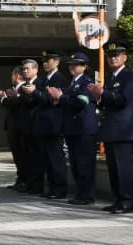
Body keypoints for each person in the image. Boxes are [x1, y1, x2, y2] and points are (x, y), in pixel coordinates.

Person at [88, 40, 133, 214]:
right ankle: (117, 199)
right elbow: (106, 104)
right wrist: (98, 97)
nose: (112, 59)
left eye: (116, 55)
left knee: (122, 167)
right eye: (110, 56)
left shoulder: (130, 77)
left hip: (123, 129)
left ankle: (127, 201)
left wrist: (102, 93)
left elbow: (123, 100)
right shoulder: (110, 78)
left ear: (124, 57)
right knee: (113, 168)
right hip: (110, 128)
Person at [47, 52, 97, 205]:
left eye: (77, 64)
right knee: (76, 164)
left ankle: (87, 195)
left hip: (83, 129)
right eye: (71, 64)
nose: (72, 67)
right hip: (72, 128)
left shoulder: (86, 82)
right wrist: (59, 99)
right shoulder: (72, 83)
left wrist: (61, 97)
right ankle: (81, 194)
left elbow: (80, 102)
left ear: (85, 67)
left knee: (84, 163)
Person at [36, 51, 68, 199]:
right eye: (43, 61)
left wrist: (37, 94)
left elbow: (51, 99)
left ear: (56, 62)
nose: (45, 63)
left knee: (56, 158)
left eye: (48, 60)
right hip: (43, 124)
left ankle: (60, 189)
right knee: (47, 158)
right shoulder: (42, 79)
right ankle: (52, 187)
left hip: (54, 124)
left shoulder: (59, 78)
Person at [0, 66, 26, 190]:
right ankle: (20, 179)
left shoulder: (24, 89)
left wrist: (2, 98)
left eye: (12, 75)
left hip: (20, 128)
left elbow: (15, 105)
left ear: (17, 76)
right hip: (13, 128)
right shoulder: (15, 89)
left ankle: (24, 180)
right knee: (17, 156)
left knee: (22, 156)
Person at [18, 59, 44, 194]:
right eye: (23, 69)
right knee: (27, 157)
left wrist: (32, 93)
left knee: (36, 158)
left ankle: (37, 186)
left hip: (36, 126)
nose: (25, 71)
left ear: (36, 70)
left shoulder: (39, 83)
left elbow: (41, 102)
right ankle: (29, 184)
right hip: (26, 127)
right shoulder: (25, 85)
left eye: (28, 69)